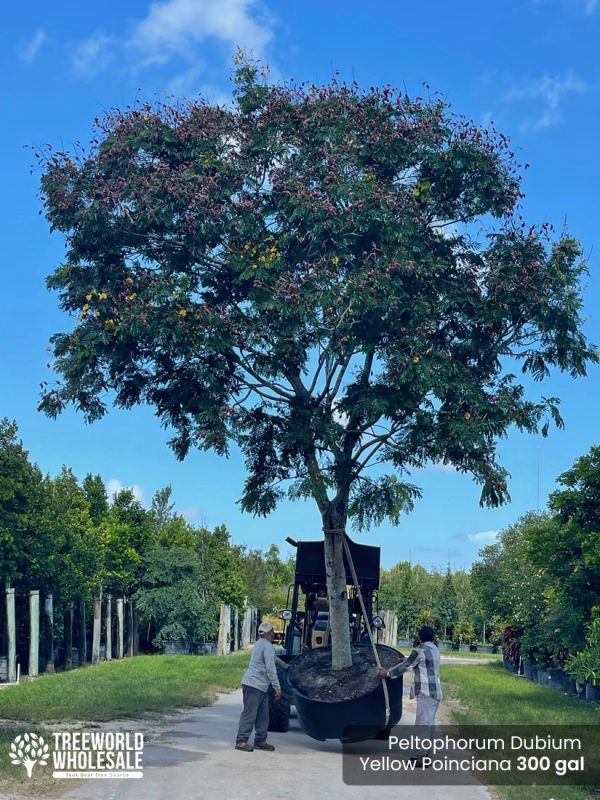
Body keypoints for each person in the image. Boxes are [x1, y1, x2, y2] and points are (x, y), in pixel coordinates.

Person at [377, 625, 442, 757]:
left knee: (422, 724)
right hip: (436, 692)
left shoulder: (419, 650)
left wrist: (387, 673)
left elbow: (405, 667)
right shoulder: (435, 649)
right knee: (429, 723)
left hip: (425, 692)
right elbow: (418, 661)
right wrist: (407, 659)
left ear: (419, 637)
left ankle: (421, 756)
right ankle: (427, 755)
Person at [235, 621, 289, 752]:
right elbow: (270, 668)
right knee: (250, 713)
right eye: (273, 632)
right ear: (269, 633)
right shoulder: (268, 647)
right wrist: (277, 687)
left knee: (263, 715)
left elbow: (274, 659)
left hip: (259, 686)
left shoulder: (260, 644)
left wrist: (287, 667)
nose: (274, 634)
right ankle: (241, 741)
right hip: (254, 685)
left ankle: (260, 741)